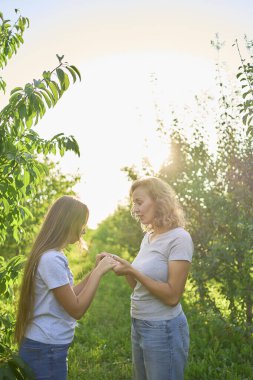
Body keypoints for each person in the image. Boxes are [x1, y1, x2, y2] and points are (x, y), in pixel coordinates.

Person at [98, 177, 194, 380]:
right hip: (139, 323)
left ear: (159, 201)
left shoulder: (180, 238)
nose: (135, 209)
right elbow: (138, 287)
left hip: (163, 328)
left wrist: (133, 271)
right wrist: (121, 265)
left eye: (139, 202)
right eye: (133, 203)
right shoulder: (148, 237)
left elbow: (172, 297)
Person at [15, 195, 118, 380]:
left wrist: (94, 270)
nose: (84, 230)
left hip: (45, 347)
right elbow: (76, 309)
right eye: (82, 223)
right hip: (45, 349)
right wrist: (99, 273)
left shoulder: (52, 255)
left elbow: (69, 296)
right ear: (69, 223)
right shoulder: (51, 259)